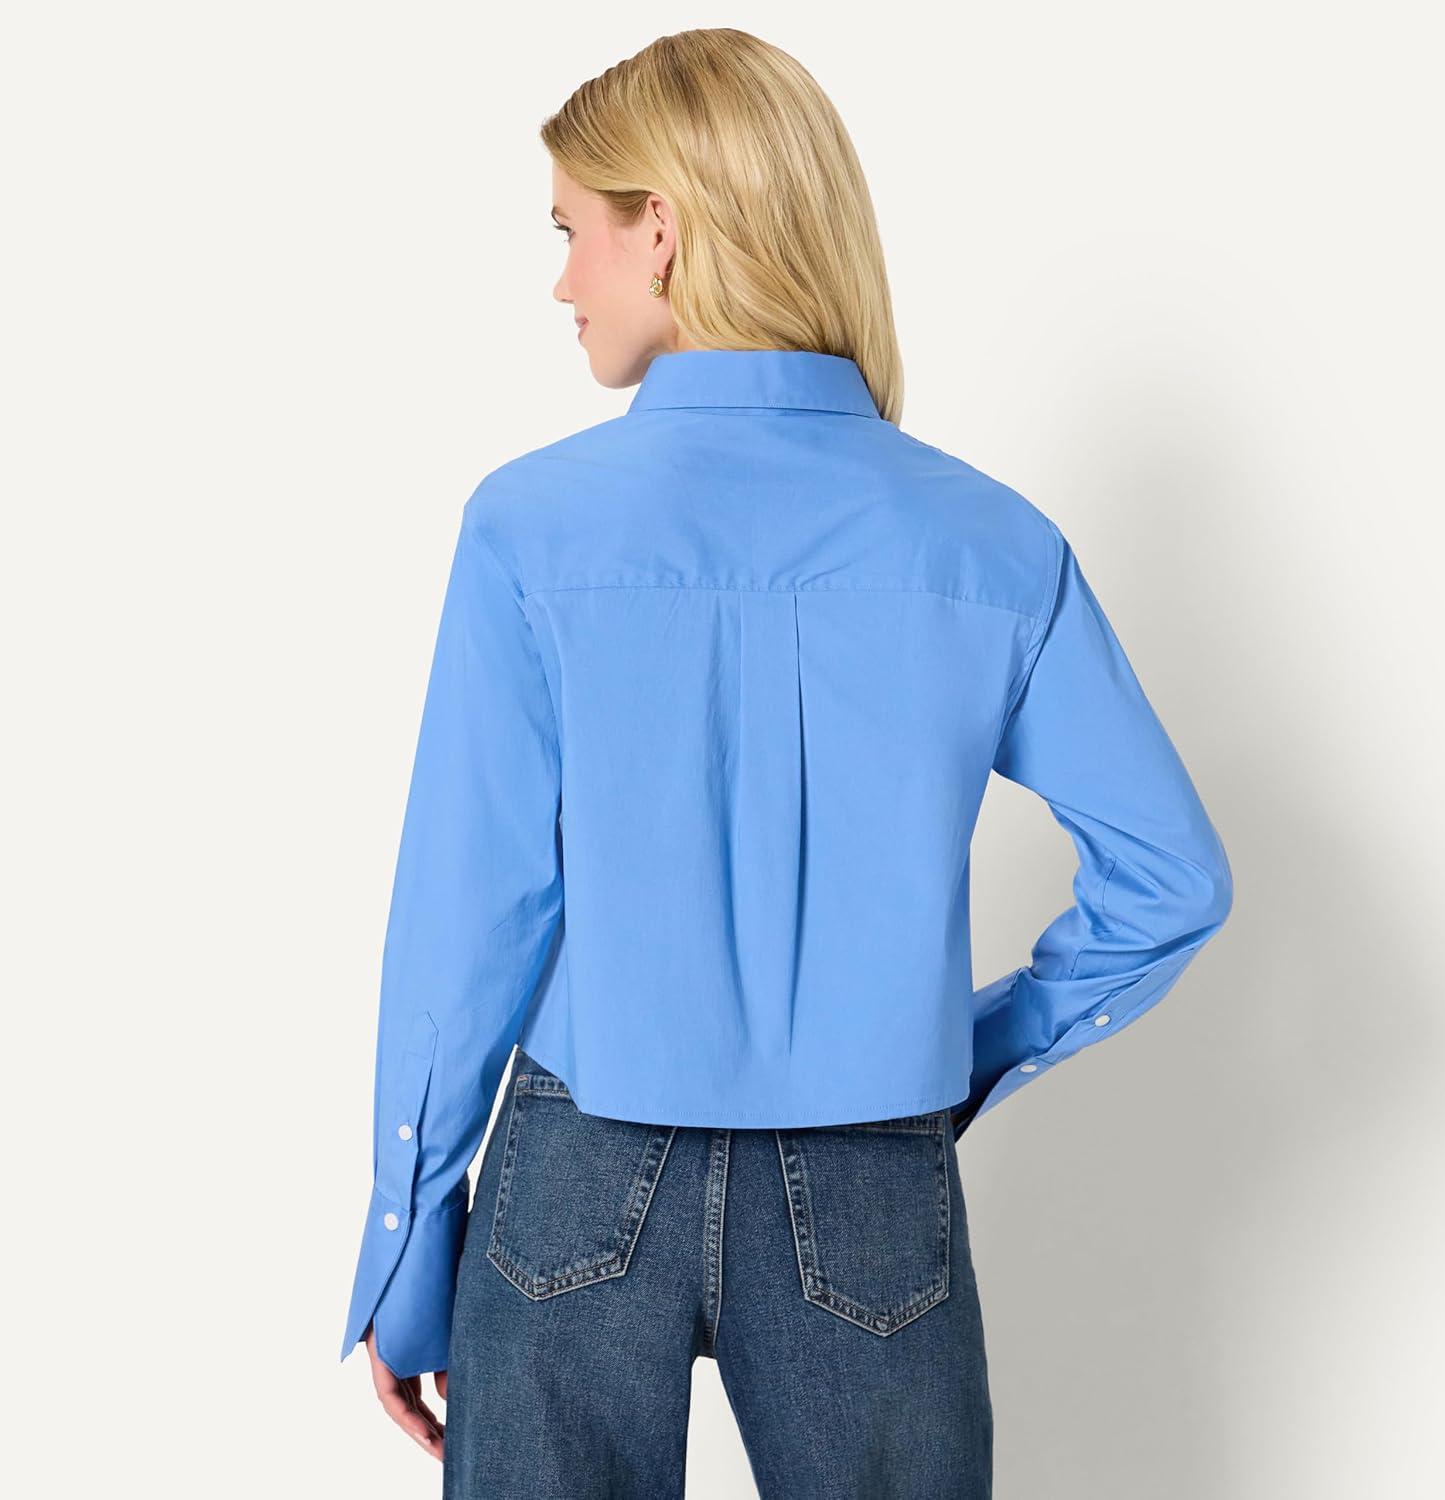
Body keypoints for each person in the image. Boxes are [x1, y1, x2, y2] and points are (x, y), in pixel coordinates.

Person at [338, 27, 1233, 1499]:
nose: (561, 282)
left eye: (570, 232)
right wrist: (968, 1048)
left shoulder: (531, 527)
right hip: (871, 1175)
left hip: (576, 1172)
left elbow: (469, 923)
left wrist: (405, 1243)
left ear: (662, 229)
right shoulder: (991, 542)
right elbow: (1173, 882)